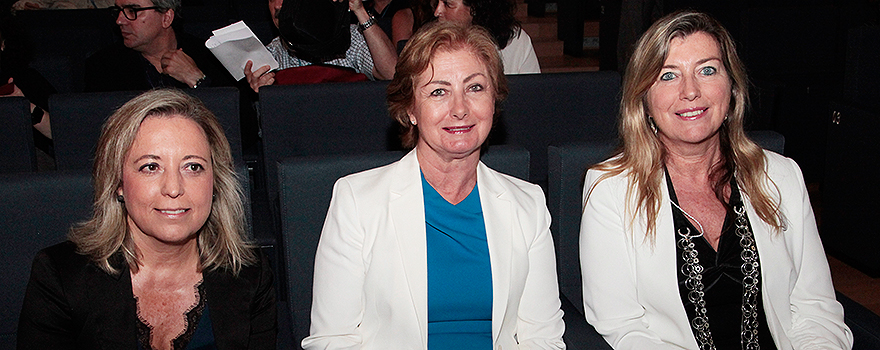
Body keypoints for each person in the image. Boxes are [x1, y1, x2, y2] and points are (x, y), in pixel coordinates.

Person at [579, 11, 852, 349]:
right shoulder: (611, 190)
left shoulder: (781, 177)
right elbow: (623, 327)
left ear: (732, 87)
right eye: (668, 76)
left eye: (707, 70)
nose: (690, 91)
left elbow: (816, 310)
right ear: (644, 100)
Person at [301, 22, 564, 349]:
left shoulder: (529, 205)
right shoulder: (357, 201)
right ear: (411, 109)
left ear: (494, 101)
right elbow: (331, 340)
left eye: (475, 88)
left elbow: (544, 338)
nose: (459, 109)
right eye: (438, 91)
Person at [17, 89, 276, 349]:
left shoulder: (249, 274)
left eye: (193, 167)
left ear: (215, 182)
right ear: (118, 182)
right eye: (150, 167)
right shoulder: (61, 276)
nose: (174, 188)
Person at [243, 0, 397, 93]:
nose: (277, 5)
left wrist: (360, 11)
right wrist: (261, 92)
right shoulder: (270, 55)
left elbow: (392, 74)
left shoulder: (350, 39)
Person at [84, 0, 233, 92]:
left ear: (166, 18)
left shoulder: (211, 56)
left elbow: (239, 128)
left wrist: (197, 80)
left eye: (132, 11)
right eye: (118, 11)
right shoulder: (103, 67)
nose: (120, 20)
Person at [430, 0, 539, 74]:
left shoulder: (516, 42)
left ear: (474, 7)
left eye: (447, 4)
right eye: (437, 2)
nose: (437, 12)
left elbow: (532, 93)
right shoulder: (431, 42)